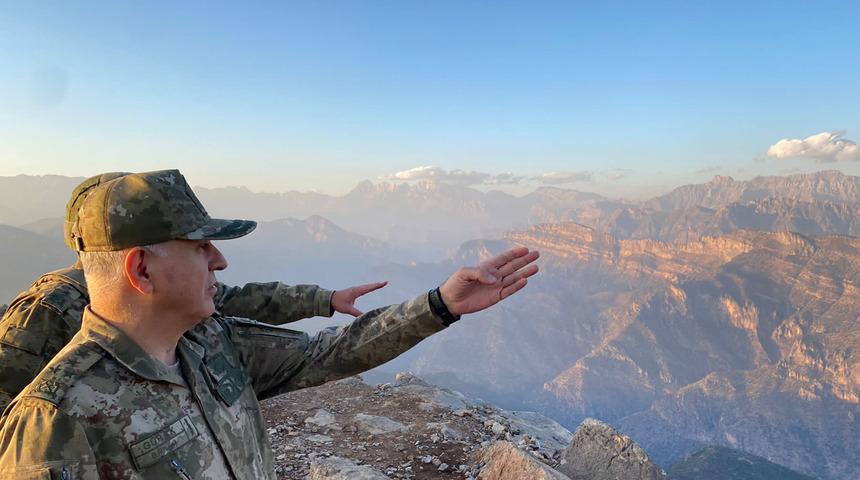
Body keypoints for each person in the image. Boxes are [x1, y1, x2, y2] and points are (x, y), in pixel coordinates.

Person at [0, 169, 539, 479]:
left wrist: (439, 305)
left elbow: (323, 354)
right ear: (141, 269)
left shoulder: (211, 341)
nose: (220, 262)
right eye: (201, 247)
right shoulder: (54, 420)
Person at [0, 173, 385, 411]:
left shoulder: (167, 303)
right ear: (139, 265)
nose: (218, 261)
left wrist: (324, 300)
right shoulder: (46, 312)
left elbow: (239, 299)